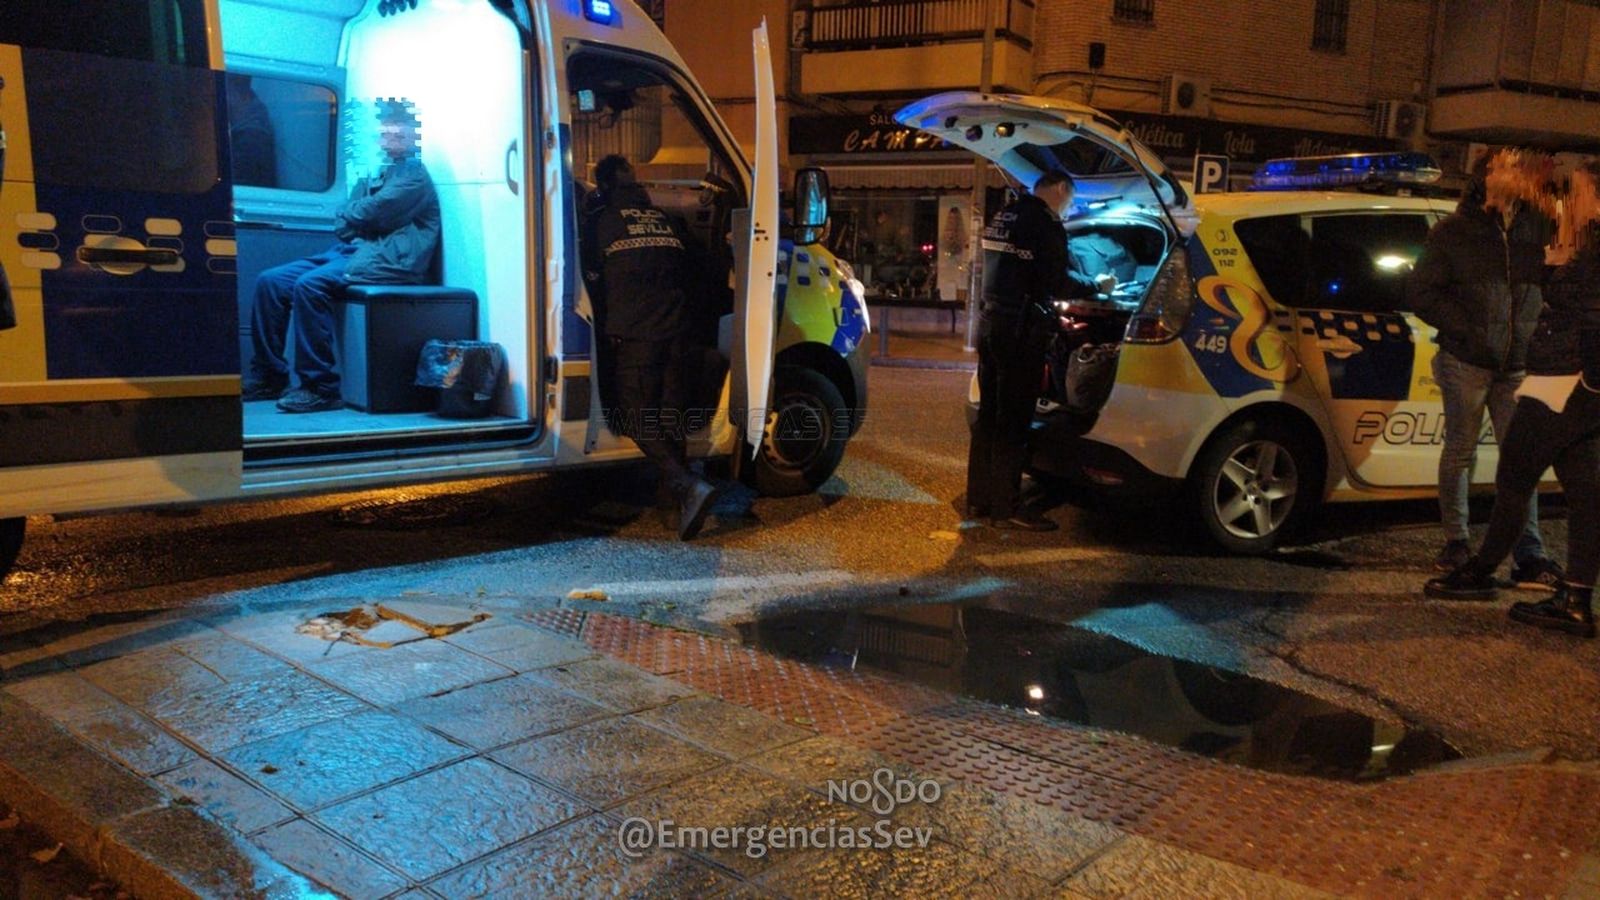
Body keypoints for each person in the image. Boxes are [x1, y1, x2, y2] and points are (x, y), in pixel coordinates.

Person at [1424, 160, 1600, 639]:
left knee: (1515, 473)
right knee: (1584, 489)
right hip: (1563, 374)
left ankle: (1478, 572)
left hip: (1565, 377)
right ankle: (1578, 599)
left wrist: (1589, 380)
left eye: (1575, 190)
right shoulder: (1573, 232)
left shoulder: (1591, 242)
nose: (1561, 196)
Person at [1408, 148, 1564, 584]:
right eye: (1509, 168)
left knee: (1521, 458)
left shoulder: (1535, 228)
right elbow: (1420, 291)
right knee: (1461, 450)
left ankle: (1528, 553)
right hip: (1468, 361)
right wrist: (1468, 330)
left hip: (1517, 364)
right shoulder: (1454, 231)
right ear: (1486, 179)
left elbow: (1556, 281)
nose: (1519, 174)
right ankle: (1457, 542)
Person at [243, 101, 440, 413]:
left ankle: (320, 387)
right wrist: (356, 215)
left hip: (390, 260)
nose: (391, 132)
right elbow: (344, 222)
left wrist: (357, 215)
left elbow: (372, 209)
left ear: (414, 135)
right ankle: (269, 375)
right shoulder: (377, 173)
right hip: (357, 251)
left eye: (400, 127)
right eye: (386, 127)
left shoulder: (414, 175)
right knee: (271, 281)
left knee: (310, 285)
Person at [581, 154, 719, 540]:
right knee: (670, 419)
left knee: (636, 419)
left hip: (636, 337)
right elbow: (700, 269)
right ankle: (673, 510)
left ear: (604, 186)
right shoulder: (668, 220)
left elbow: (589, 279)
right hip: (677, 333)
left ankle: (687, 485)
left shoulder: (601, 224)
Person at [967, 170, 1112, 531]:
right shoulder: (1045, 224)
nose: (1068, 209)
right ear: (1061, 189)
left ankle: (979, 499)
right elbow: (1057, 281)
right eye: (1070, 201)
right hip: (1021, 331)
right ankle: (1008, 507)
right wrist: (1098, 284)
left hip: (990, 324)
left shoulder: (1005, 214)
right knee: (1014, 419)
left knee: (990, 414)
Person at [226, 74, 277, 188]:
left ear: (237, 95)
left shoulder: (251, 139)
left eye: (225, 92)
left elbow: (235, 189)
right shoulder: (252, 123)